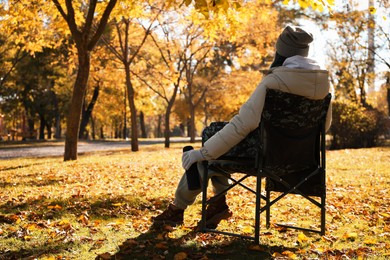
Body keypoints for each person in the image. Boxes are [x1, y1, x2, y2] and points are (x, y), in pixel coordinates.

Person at [152, 26, 332, 228]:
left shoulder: (274, 81)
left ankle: (180, 209)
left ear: (281, 52)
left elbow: (242, 125)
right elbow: (323, 127)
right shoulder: (324, 85)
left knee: (209, 146)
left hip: (264, 158)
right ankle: (214, 205)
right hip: (302, 161)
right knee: (214, 148)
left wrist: (201, 153)